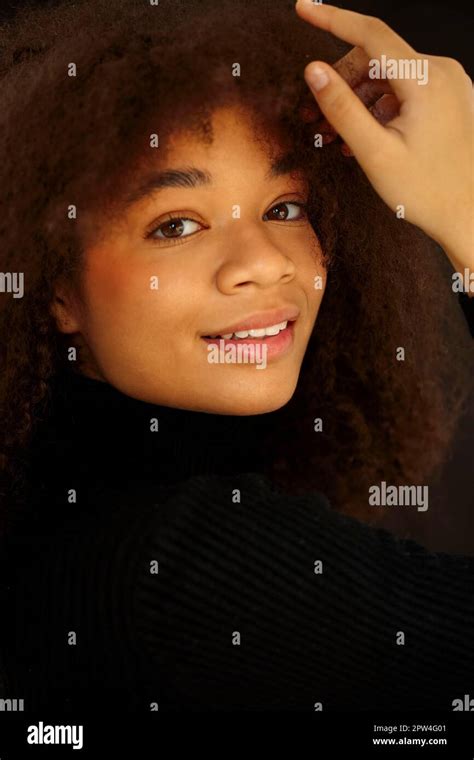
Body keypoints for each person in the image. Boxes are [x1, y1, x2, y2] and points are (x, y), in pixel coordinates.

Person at [0, 0, 472, 713]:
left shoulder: (71, 513)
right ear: (57, 288)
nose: (260, 264)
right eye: (177, 224)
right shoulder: (190, 568)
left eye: (284, 208)